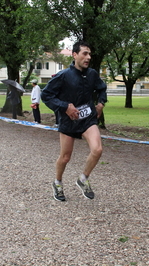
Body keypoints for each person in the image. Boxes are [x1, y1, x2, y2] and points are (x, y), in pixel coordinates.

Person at [41, 40, 107, 201]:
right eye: (85, 53)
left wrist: (100, 103)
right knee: (65, 157)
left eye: (90, 54)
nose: (88, 57)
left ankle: (83, 179)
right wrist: (65, 106)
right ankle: (57, 183)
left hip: (88, 120)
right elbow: (46, 95)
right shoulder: (63, 76)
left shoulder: (92, 74)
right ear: (75, 55)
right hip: (69, 121)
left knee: (97, 150)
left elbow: (102, 88)